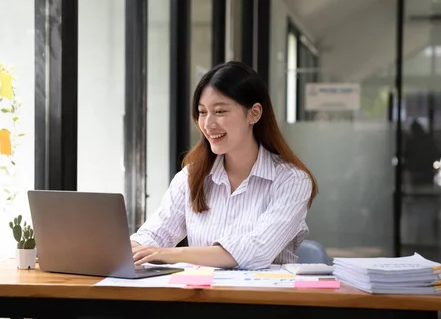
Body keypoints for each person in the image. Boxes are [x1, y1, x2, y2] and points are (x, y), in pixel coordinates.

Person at [130, 61, 318, 270]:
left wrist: (170, 254)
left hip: (266, 299)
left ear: (254, 113)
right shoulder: (191, 177)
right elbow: (157, 233)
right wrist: (133, 247)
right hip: (200, 297)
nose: (208, 124)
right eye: (202, 112)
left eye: (219, 111)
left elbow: (256, 251)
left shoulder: (292, 180)